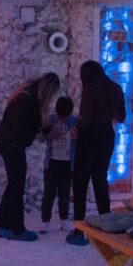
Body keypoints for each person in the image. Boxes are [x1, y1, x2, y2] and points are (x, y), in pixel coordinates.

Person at [0, 72, 61, 242]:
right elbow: (23, 127)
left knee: (13, 184)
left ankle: (1, 225)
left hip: (7, 143)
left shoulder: (26, 96)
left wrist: (44, 131)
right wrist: (36, 134)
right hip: (13, 146)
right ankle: (17, 229)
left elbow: (32, 123)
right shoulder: (27, 101)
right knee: (17, 187)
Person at [66, 60, 126, 246]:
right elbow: (122, 117)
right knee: (100, 179)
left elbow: (86, 118)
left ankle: (79, 229)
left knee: (80, 182)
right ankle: (106, 224)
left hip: (89, 136)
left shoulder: (90, 88)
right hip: (107, 135)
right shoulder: (116, 88)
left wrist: (76, 126)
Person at [39, 96, 77, 233]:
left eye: (65, 117)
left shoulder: (75, 122)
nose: (63, 120)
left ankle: (64, 221)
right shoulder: (50, 120)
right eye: (61, 117)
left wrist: (76, 137)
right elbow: (40, 138)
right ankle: (45, 222)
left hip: (67, 164)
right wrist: (49, 135)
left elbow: (82, 142)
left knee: (65, 194)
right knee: (48, 194)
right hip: (51, 163)